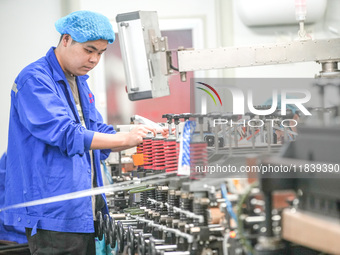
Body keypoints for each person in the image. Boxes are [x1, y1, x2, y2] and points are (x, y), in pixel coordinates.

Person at [3, 10, 165, 255]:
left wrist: (137, 134)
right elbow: (67, 134)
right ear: (66, 40)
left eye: (100, 53)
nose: (94, 60)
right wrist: (125, 138)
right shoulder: (35, 80)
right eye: (89, 50)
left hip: (83, 207)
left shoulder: (78, 80)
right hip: (55, 211)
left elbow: (95, 129)